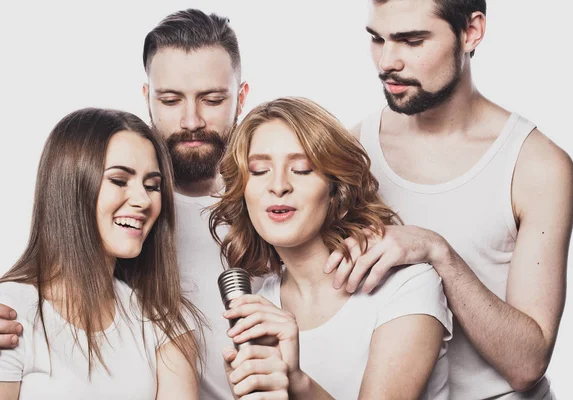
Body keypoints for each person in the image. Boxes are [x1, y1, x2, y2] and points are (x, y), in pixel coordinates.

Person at [321, 0, 573, 398]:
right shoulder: (352, 152)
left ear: (471, 31)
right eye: (377, 39)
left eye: (412, 41)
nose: (387, 61)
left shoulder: (535, 165)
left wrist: (436, 251)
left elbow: (527, 364)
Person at [210, 96, 453, 399]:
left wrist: (297, 383)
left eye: (300, 168)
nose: (278, 186)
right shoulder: (259, 314)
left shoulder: (405, 286)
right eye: (259, 171)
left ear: (335, 188)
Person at [0, 108, 202, 399]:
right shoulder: (11, 313)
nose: (143, 200)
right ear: (71, 186)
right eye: (119, 181)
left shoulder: (163, 319)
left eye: (152, 186)